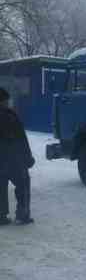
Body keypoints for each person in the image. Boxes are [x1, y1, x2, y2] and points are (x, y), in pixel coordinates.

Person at [0, 87, 35, 225]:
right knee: (23, 184)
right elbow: (20, 139)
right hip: (13, 159)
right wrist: (28, 158)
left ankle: (0, 216)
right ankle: (22, 215)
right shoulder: (10, 116)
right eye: (7, 100)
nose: (9, 102)